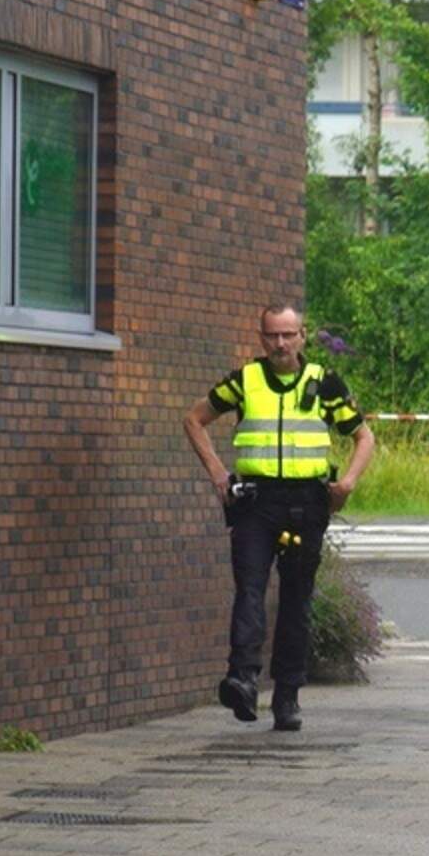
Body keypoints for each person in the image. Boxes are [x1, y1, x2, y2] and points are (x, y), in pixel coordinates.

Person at [181, 301, 376, 732]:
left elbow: (363, 437)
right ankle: (243, 679)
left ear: (302, 337)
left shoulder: (324, 383)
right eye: (272, 335)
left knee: (296, 598)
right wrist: (218, 474)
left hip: (307, 503)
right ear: (261, 337)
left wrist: (346, 484)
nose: (280, 343)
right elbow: (194, 419)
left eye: (288, 334)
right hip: (257, 502)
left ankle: (287, 695)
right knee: (249, 588)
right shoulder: (246, 380)